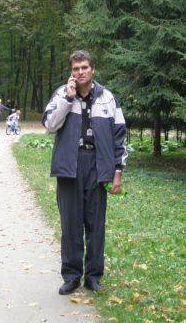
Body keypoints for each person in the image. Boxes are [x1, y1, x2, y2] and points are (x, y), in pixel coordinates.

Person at [42, 50, 127, 295]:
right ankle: (71, 276)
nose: (80, 72)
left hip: (98, 165)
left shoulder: (107, 98)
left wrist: (117, 171)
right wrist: (68, 100)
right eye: (76, 69)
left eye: (84, 67)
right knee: (70, 224)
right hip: (69, 164)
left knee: (95, 224)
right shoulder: (62, 93)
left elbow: (119, 136)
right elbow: (49, 125)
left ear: (92, 69)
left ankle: (93, 276)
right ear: (71, 71)